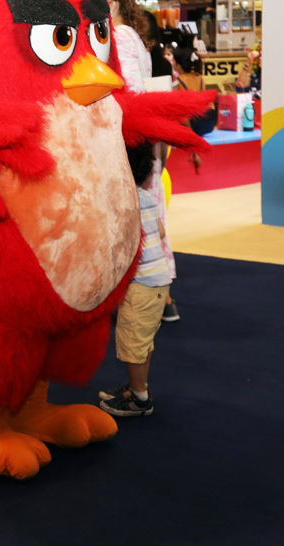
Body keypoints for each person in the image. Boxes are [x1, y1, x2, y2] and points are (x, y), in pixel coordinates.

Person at [95, 0, 177, 303]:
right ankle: (159, 295)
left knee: (133, 214)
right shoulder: (132, 37)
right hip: (142, 135)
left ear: (110, 6)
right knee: (147, 210)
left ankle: (150, 293)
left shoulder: (116, 37)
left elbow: (130, 88)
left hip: (130, 139)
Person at [97, 143, 171, 417]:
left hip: (141, 285)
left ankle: (140, 399)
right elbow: (161, 233)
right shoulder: (146, 197)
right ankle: (139, 386)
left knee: (131, 343)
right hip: (159, 283)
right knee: (142, 342)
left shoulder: (122, 203)